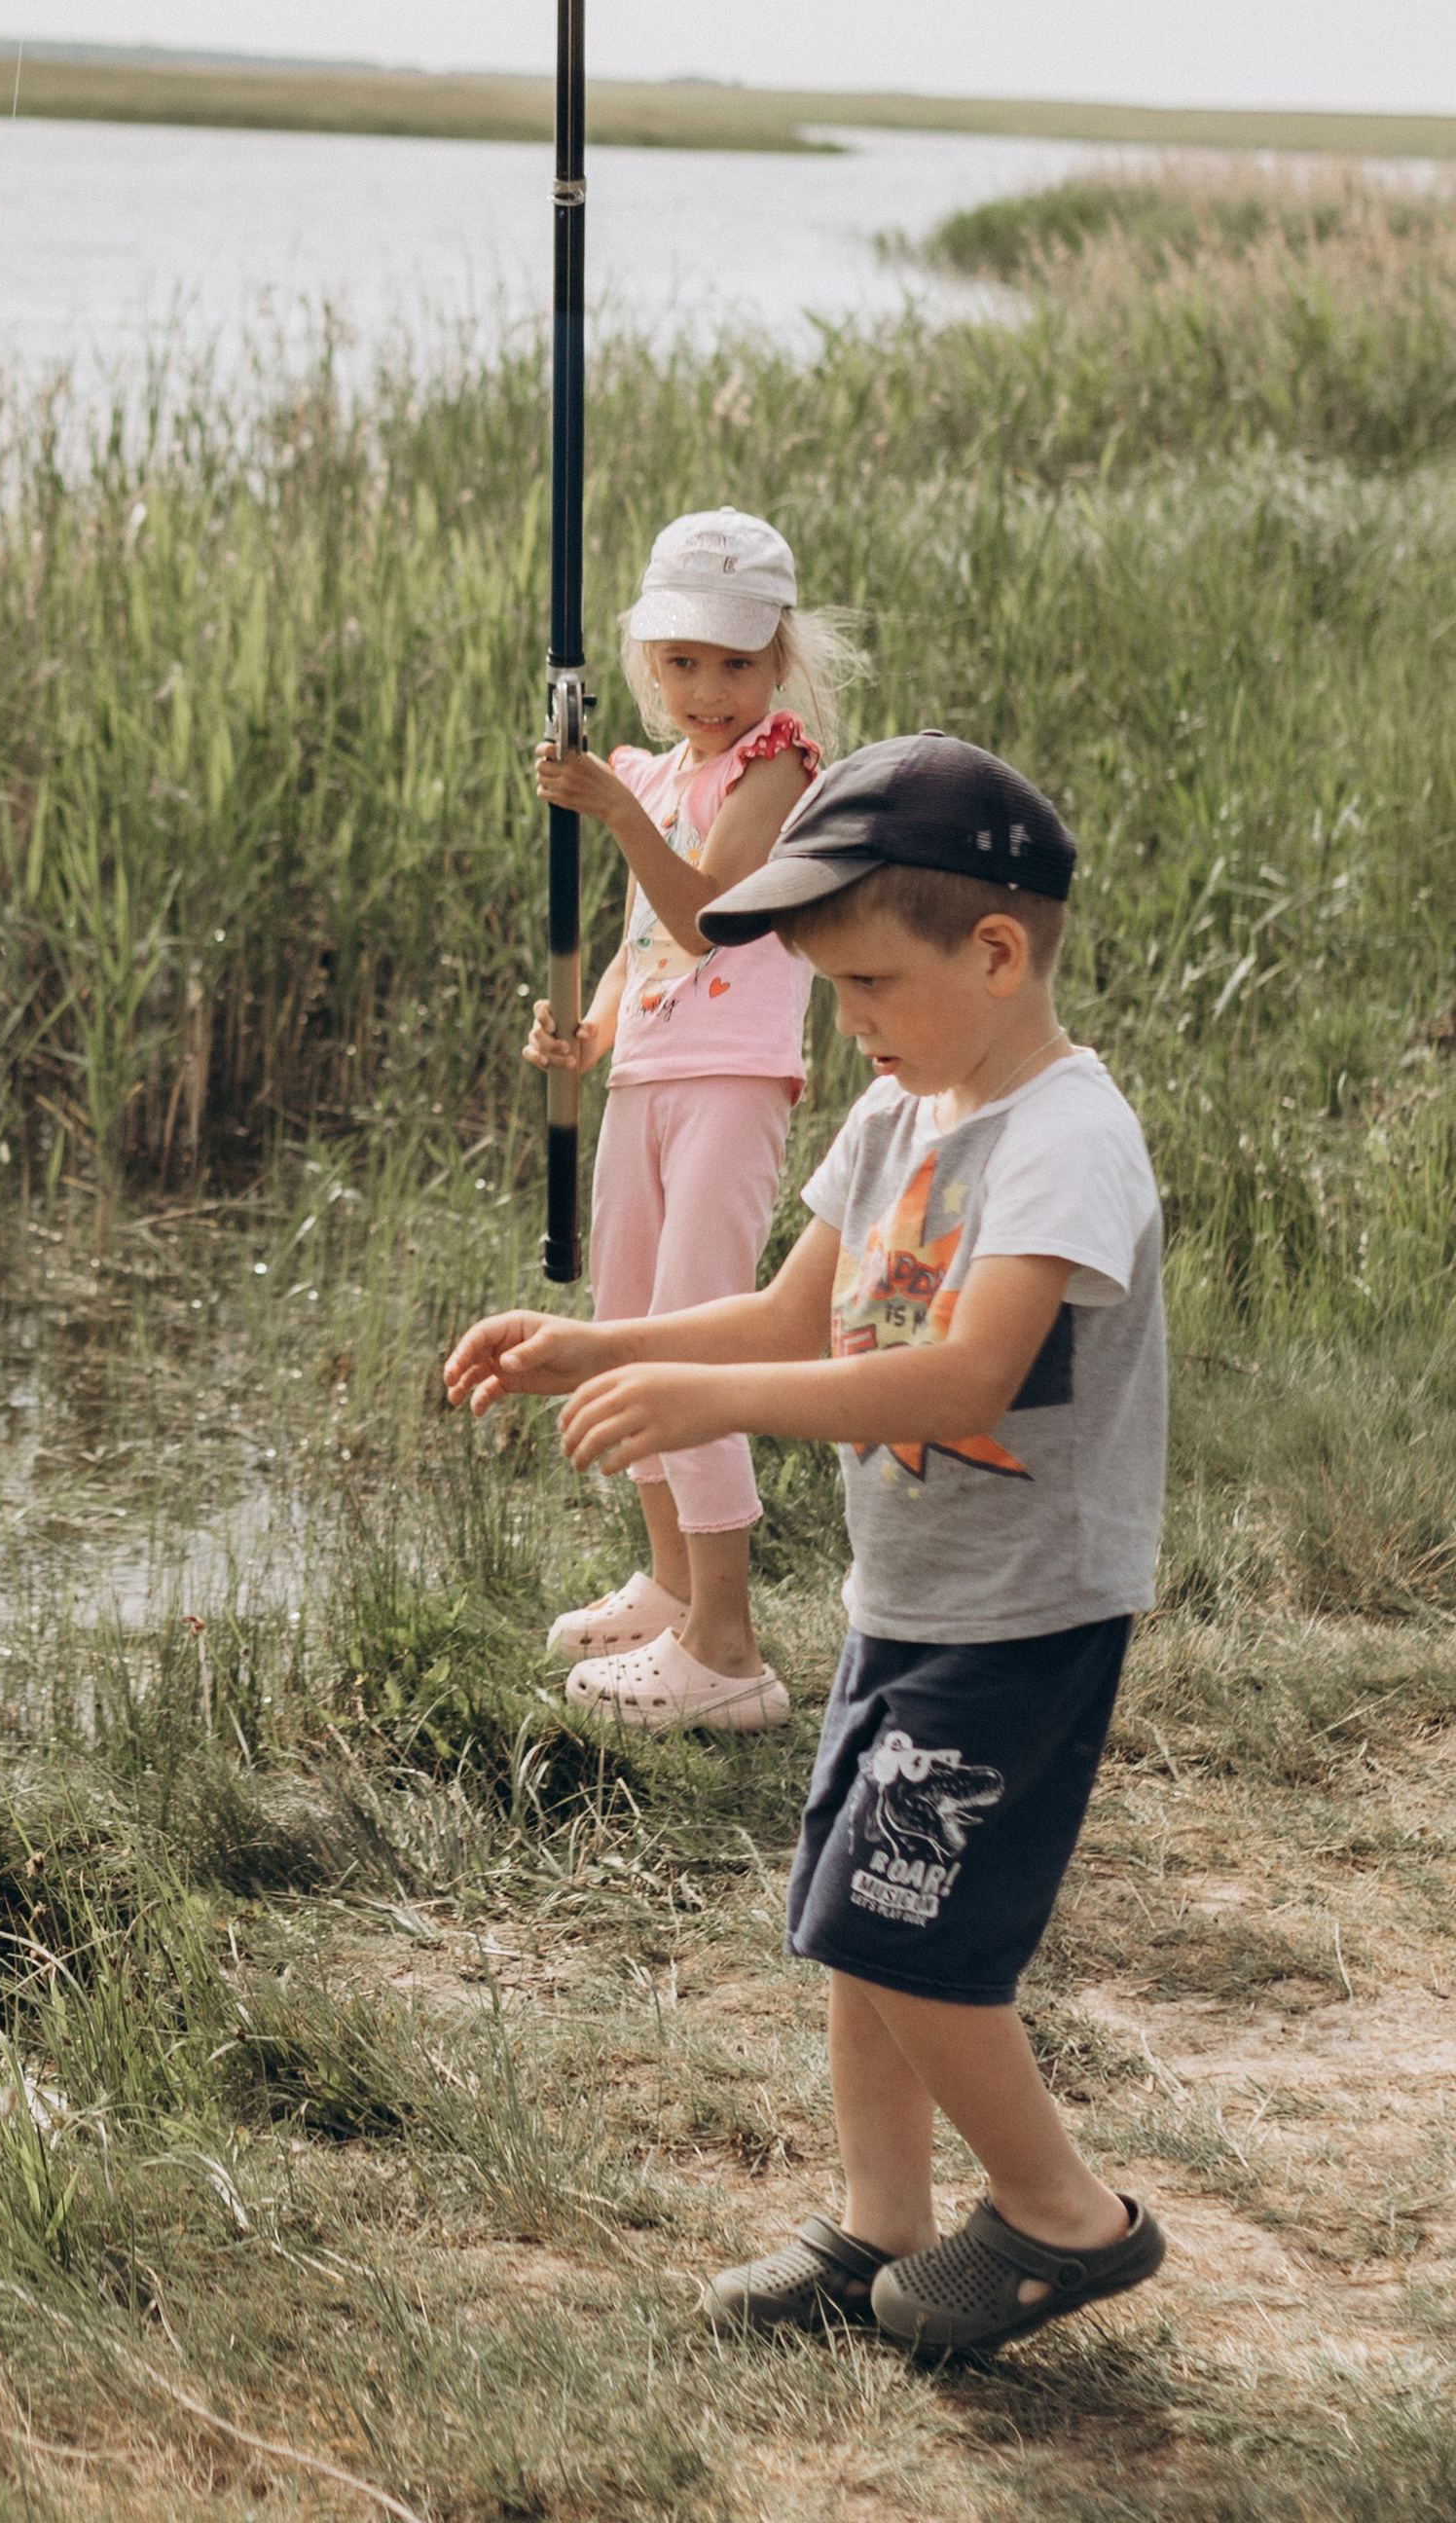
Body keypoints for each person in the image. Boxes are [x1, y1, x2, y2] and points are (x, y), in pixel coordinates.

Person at [450, 734, 1169, 2359]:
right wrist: (592, 1342)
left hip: (1026, 1618)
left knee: (903, 1930)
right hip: (909, 1597)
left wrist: (701, 1395)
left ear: (996, 955)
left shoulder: (1063, 1135)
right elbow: (795, 1308)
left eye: (865, 984)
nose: (845, 1023)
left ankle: (1067, 2219)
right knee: (857, 1923)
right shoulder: (900, 1115)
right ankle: (877, 2234)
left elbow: (966, 1372)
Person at [526, 506, 858, 1734]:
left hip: (732, 1077)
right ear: (646, 663)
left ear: (776, 656)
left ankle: (728, 1649)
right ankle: (670, 1585)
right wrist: (588, 1031)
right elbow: (639, 944)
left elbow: (712, 911)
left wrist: (612, 810)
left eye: (732, 661)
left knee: (695, 1344)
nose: (706, 689)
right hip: (646, 1080)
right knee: (627, 1330)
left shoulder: (776, 763)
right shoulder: (658, 771)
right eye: (681, 663)